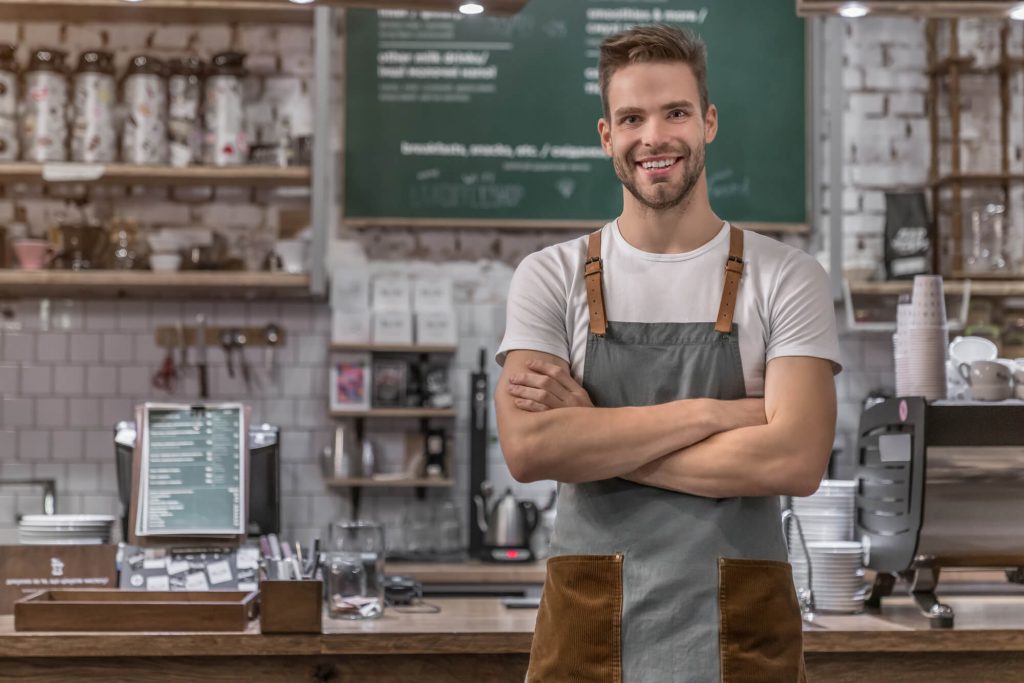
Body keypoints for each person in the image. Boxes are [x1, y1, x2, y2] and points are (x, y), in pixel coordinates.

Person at [494, 24, 841, 683]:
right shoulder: (549, 277)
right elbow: (530, 450)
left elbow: (796, 460)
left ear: (708, 122)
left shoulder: (787, 277)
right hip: (585, 640)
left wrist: (595, 438)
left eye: (675, 112)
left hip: (741, 642)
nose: (654, 136)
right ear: (607, 136)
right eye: (632, 118)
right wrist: (720, 413)